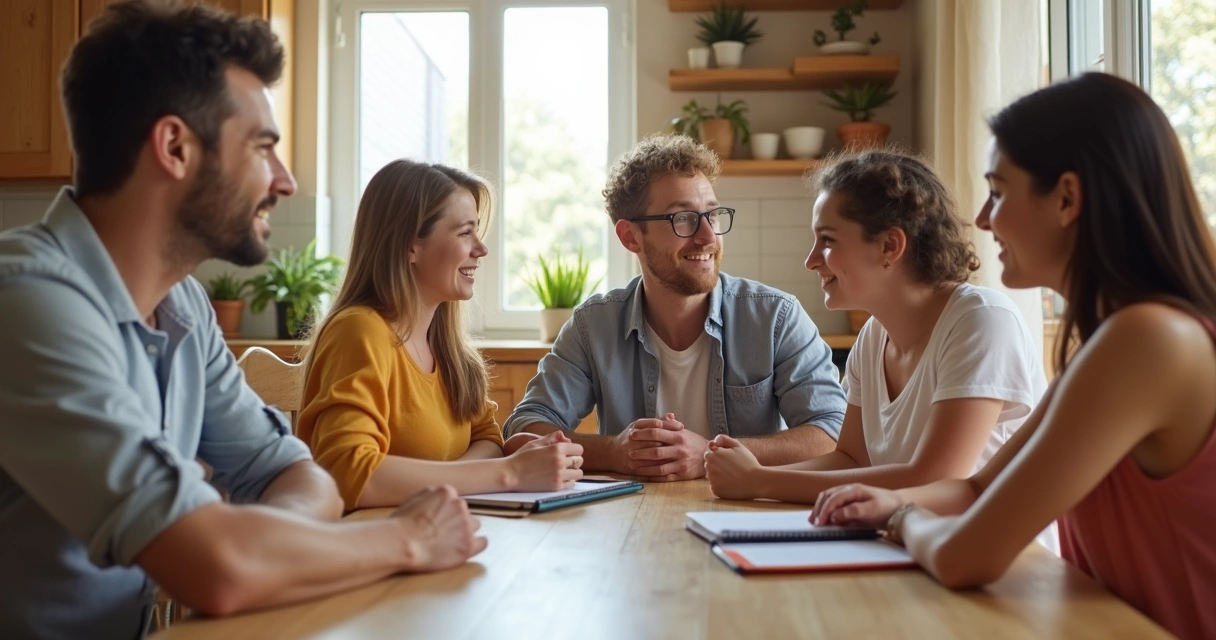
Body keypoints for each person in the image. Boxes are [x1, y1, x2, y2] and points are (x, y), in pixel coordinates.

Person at [0, 3, 483, 636]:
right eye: (262, 148)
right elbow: (220, 569)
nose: (284, 181)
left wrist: (244, 542)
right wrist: (407, 539)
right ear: (174, 147)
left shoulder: (184, 307)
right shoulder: (29, 302)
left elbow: (298, 477)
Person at [810, 73, 1216, 640]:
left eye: (998, 192)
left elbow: (963, 557)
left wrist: (902, 515)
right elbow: (977, 489)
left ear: (1067, 199)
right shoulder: (1114, 340)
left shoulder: (1147, 341)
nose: (982, 219)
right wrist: (883, 500)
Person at [704, 150, 1047, 508]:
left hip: (993, 558)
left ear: (890, 245)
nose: (811, 261)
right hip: (910, 543)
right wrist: (751, 474)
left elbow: (936, 479)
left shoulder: (981, 321)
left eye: (828, 240)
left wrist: (760, 480)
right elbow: (850, 460)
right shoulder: (873, 337)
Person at [503, 135, 847, 481]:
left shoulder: (776, 318)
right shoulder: (593, 327)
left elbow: (833, 434)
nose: (708, 236)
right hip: (632, 521)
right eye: (682, 218)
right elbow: (524, 431)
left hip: (745, 514)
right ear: (630, 237)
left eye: (712, 214)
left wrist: (713, 454)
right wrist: (613, 452)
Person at [297, 160, 584, 511]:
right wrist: (507, 473)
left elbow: (488, 439)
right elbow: (349, 473)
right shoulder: (359, 330)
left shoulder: (449, 349)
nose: (481, 249)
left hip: (436, 534)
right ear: (409, 246)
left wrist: (463, 476)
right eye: (465, 233)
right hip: (369, 549)